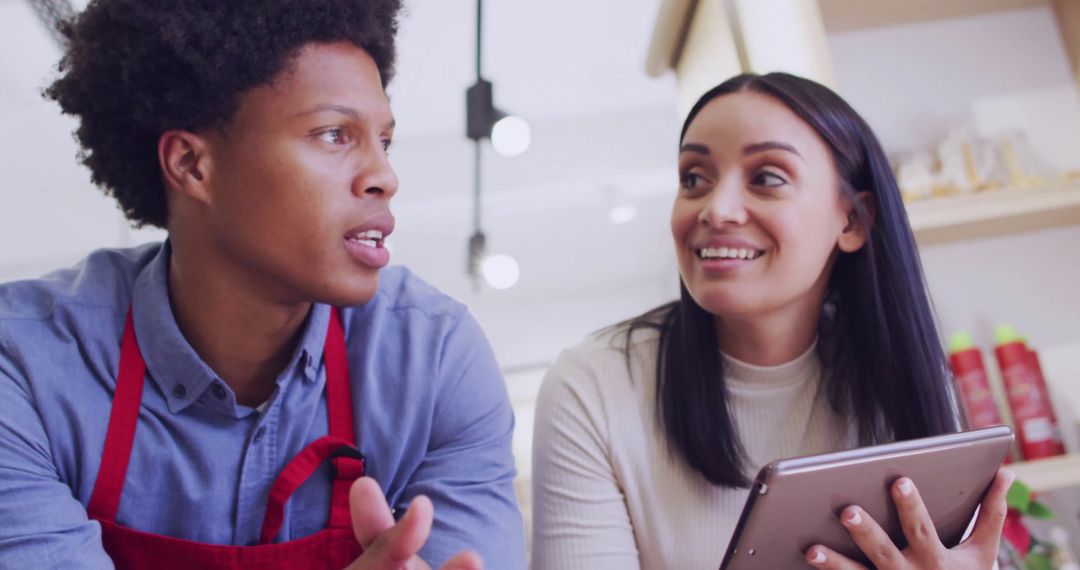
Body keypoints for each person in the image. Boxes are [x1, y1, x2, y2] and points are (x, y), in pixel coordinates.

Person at [0, 1, 526, 568]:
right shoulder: (25, 367)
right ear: (192, 165)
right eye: (333, 134)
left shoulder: (435, 363)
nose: (384, 177)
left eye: (385, 141)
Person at [530, 72, 1013, 569]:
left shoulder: (907, 379)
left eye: (766, 178)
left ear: (851, 220)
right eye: (694, 178)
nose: (716, 209)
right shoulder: (594, 388)